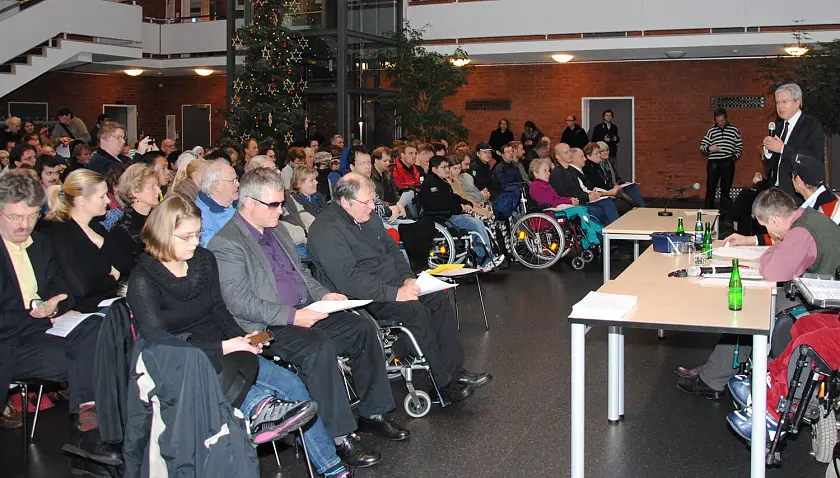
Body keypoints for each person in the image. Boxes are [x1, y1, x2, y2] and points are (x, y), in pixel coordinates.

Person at [126, 195, 351, 478]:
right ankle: (259, 409)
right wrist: (224, 346)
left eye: (197, 234)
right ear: (161, 235)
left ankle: (330, 466)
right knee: (244, 386)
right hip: (183, 361)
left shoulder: (203, 260)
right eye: (186, 237)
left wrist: (243, 340)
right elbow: (159, 340)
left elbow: (219, 310)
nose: (195, 242)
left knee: (292, 384)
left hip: (223, 346)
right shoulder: (144, 280)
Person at [208, 168, 406, 468]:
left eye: (281, 203)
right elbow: (240, 302)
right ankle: (339, 437)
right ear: (248, 203)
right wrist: (292, 315)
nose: (280, 210)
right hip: (268, 326)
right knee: (318, 348)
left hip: (304, 310)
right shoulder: (227, 243)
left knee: (362, 327)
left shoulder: (278, 231)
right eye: (273, 205)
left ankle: (373, 412)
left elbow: (302, 274)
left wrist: (324, 294)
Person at [308, 173, 492, 404]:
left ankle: (455, 371)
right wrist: (396, 293)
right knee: (414, 310)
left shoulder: (368, 217)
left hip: (392, 284)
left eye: (372, 200)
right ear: (345, 202)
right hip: (362, 297)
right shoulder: (326, 230)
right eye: (367, 202)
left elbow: (392, 250)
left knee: (435, 297)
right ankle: (440, 383)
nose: (372, 207)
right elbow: (349, 280)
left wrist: (407, 279)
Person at [0, 171, 121, 465]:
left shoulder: (39, 243)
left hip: (39, 332)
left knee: (97, 327)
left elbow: (58, 285)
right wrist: (36, 312)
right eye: (15, 217)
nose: (24, 224)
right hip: (8, 342)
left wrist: (54, 305)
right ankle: (91, 428)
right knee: (94, 357)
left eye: (30, 216)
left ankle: (90, 425)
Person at [676, 187, 840, 400]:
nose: (770, 234)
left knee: (752, 308)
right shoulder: (810, 217)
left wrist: (772, 249)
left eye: (766, 227)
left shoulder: (800, 233)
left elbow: (772, 271)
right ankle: (715, 370)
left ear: (773, 220)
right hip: (825, 292)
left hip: (823, 303)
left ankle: (713, 380)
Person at [42, 170, 132, 312]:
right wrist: (112, 277)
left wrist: (102, 242)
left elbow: (127, 265)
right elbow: (80, 287)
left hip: (110, 300)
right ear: (81, 200)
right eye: (102, 196)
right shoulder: (59, 234)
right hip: (88, 308)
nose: (108, 201)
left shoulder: (96, 227)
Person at [419, 156, 502, 271]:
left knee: (481, 224)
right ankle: (483, 259)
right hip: (442, 218)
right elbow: (440, 205)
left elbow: (452, 197)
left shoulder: (441, 182)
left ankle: (490, 254)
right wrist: (461, 207)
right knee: (476, 224)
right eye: (444, 167)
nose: (447, 170)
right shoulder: (430, 185)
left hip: (450, 214)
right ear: (434, 169)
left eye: (447, 167)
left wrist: (466, 202)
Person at [758, 83, 825, 201]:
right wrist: (768, 151)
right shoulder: (779, 126)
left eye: (784, 102)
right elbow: (774, 165)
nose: (780, 106)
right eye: (778, 102)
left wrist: (783, 149)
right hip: (777, 192)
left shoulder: (811, 125)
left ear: (797, 103)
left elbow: (814, 157)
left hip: (798, 194)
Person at [549, 143, 619, 225]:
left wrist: (589, 195)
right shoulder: (556, 173)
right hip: (570, 206)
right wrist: (587, 197)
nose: (570, 154)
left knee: (607, 202)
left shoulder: (570, 170)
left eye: (569, 151)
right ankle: (609, 233)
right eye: (566, 152)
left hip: (580, 200)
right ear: (558, 156)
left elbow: (578, 190)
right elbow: (564, 195)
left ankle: (615, 231)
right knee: (600, 210)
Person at [110, 163, 160, 272]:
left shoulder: (159, 218)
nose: (159, 191)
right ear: (135, 192)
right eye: (152, 187)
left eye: (157, 186)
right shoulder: (123, 230)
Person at [699, 107, 742, 212]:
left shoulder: (734, 130)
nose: (720, 123)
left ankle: (726, 215)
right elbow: (702, 147)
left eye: (722, 120)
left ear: (726, 118)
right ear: (715, 120)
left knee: (726, 190)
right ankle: (708, 212)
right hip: (714, 162)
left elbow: (739, 146)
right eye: (718, 121)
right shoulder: (711, 131)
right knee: (711, 188)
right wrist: (709, 148)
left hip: (728, 162)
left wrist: (734, 158)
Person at [582, 142, 641, 212]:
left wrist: (621, 184)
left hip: (608, 190)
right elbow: (598, 186)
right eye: (597, 153)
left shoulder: (600, 165)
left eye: (607, 150)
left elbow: (613, 179)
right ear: (588, 156)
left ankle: (640, 206)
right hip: (602, 193)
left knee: (631, 189)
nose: (600, 155)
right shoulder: (589, 168)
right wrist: (613, 190)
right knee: (625, 204)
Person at [196, 161, 239, 247]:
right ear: (216, 185)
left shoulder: (240, 202)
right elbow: (215, 249)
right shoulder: (202, 217)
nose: (238, 184)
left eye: (237, 179)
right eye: (233, 181)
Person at [285, 165, 327, 236]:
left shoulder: (318, 196)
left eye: (315, 179)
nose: (316, 182)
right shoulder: (294, 201)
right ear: (299, 183)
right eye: (311, 180)